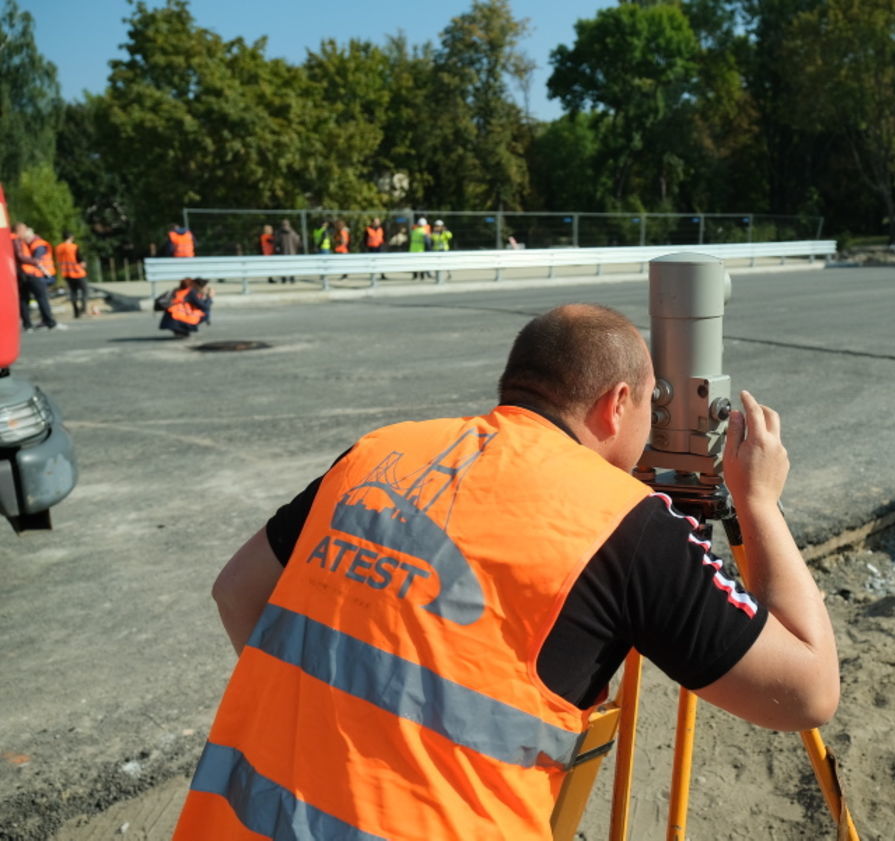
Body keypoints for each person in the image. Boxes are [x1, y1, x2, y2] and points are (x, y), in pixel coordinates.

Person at [172, 304, 839, 840]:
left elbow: (237, 590)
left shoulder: (377, 452)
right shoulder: (626, 524)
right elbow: (808, 691)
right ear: (616, 402)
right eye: (648, 409)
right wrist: (757, 503)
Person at [12, 223, 61, 331]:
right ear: (19, 230)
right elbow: (21, 256)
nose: (25, 232)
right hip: (31, 272)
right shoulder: (17, 240)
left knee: (24, 299)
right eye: (24, 229)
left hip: (21, 273)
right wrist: (34, 261)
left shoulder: (15, 240)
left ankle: (28, 324)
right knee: (41, 297)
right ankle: (49, 322)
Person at [55, 232, 90, 319]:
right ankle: (83, 310)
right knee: (85, 290)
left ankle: (76, 312)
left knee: (73, 292)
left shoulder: (58, 248)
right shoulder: (73, 247)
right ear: (71, 237)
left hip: (66, 273)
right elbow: (79, 258)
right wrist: (83, 264)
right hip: (77, 272)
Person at [274, 219, 301, 284]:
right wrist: (295, 248)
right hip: (292, 251)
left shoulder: (279, 233)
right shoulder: (293, 232)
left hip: (283, 251)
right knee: (292, 265)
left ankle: (284, 278)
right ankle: (292, 278)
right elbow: (297, 241)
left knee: (283, 265)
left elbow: (277, 242)